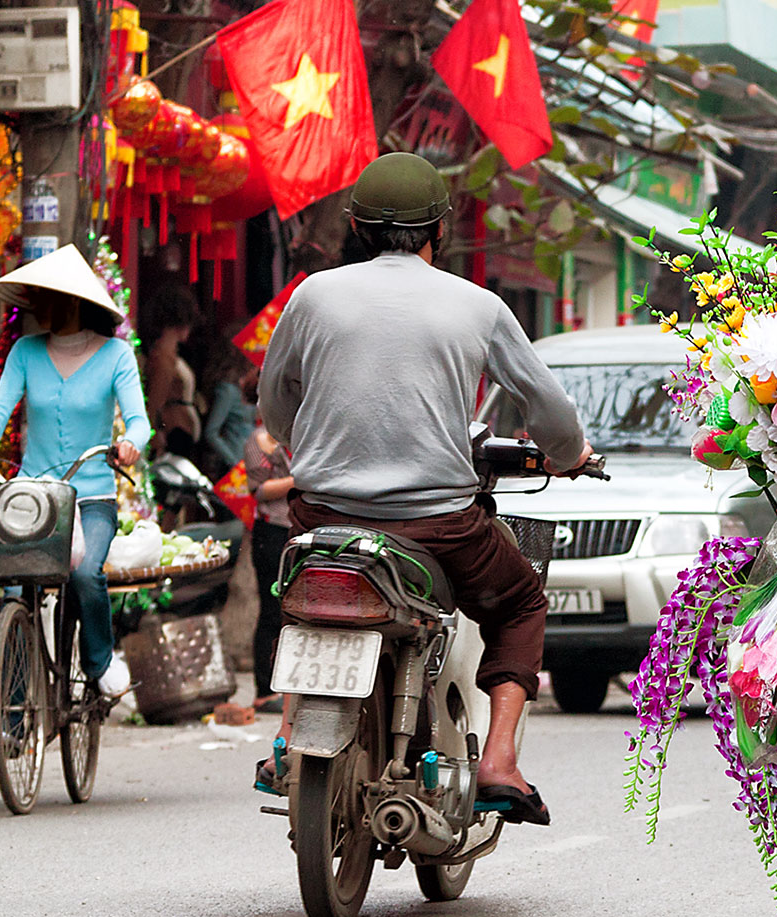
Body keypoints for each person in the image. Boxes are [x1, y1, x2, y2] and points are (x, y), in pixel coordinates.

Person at [256, 152, 592, 823]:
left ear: (355, 225)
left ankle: (290, 739)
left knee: (301, 601)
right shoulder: (478, 304)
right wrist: (569, 454)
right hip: (437, 528)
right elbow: (550, 412)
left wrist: (311, 444)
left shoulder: (311, 295)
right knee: (521, 600)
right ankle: (498, 760)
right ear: (440, 228)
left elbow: (275, 403)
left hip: (322, 516)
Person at [0, 246, 150, 698]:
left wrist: (129, 445)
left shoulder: (116, 355)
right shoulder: (26, 351)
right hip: (35, 500)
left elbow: (138, 420)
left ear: (78, 301)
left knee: (85, 576)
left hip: (93, 497)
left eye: (54, 296)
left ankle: (100, 662)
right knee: (14, 588)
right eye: (40, 296)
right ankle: (13, 714)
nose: (43, 306)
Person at [244, 416, 293, 714]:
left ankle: (286, 686)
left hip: (297, 529)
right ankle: (264, 690)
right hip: (272, 530)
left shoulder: (303, 433)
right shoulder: (259, 440)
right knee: (271, 608)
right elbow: (259, 490)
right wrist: (297, 480)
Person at [141, 285, 201, 460]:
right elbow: (155, 403)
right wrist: (155, 434)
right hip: (173, 432)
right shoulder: (163, 358)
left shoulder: (168, 354)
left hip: (178, 430)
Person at [199, 340, 258, 477]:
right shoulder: (228, 391)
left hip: (250, 462)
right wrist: (232, 461)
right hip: (233, 465)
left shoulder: (247, 389)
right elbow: (211, 432)